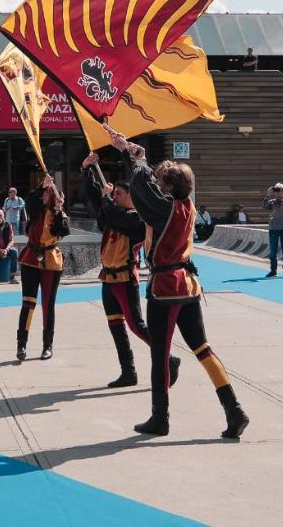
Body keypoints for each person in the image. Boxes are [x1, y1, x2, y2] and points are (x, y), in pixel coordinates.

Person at [115, 131, 249, 440]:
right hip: (188, 285)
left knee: (160, 355)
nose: (157, 184)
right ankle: (234, 409)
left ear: (170, 187)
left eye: (162, 181)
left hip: (165, 286)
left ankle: (160, 418)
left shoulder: (166, 208)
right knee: (203, 348)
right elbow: (146, 188)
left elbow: (144, 189)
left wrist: (135, 158)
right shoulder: (186, 205)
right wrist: (130, 156)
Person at [84, 154, 175, 389]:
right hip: (108, 278)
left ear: (131, 198)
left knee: (137, 326)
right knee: (116, 326)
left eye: (119, 194)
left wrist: (107, 199)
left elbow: (116, 217)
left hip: (125, 279)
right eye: (113, 194)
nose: (114, 197)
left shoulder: (137, 221)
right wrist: (87, 171)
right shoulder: (112, 214)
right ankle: (128, 371)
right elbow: (97, 203)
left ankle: (169, 359)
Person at [16, 175, 68, 362]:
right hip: (31, 258)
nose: (43, 196)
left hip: (51, 261)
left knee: (48, 304)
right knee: (28, 302)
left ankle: (48, 345)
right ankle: (21, 344)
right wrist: (41, 186)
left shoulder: (59, 215)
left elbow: (62, 231)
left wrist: (59, 211)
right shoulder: (36, 210)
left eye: (46, 194)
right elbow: (30, 201)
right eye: (43, 193)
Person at [262, 183, 283, 278]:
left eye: (280, 190)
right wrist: (268, 195)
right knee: (273, 251)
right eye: (276, 191)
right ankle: (273, 271)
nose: (278, 193)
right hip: (273, 228)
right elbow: (264, 207)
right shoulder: (272, 202)